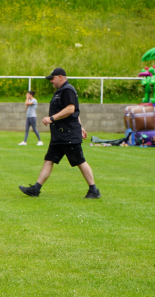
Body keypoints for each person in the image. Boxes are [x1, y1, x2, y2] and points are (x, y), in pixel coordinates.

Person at [19, 68, 101, 199]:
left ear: (60, 77)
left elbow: (71, 109)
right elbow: (75, 112)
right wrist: (80, 127)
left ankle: (94, 190)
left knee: (80, 160)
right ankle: (36, 189)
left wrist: (51, 118)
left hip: (68, 134)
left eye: (52, 78)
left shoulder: (67, 90)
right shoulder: (60, 91)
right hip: (59, 135)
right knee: (49, 160)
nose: (51, 81)